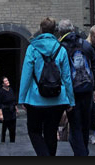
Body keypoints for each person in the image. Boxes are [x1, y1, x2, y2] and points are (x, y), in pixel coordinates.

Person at [18, 16, 75, 157]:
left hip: (35, 99)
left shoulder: (32, 48)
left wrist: (22, 98)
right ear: (54, 31)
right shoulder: (61, 49)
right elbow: (67, 78)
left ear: (41, 30)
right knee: (51, 132)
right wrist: (70, 100)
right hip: (57, 99)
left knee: (34, 131)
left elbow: (26, 75)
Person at [58, 19, 95, 157]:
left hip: (72, 92)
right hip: (87, 89)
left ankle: (82, 154)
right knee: (85, 123)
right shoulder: (85, 44)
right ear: (72, 30)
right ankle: (83, 152)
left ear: (60, 32)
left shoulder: (61, 47)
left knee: (75, 126)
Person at [0, 76, 19, 143]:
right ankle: (3, 141)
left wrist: (16, 108)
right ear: (3, 84)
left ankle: (12, 141)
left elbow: (13, 100)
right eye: (6, 81)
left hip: (12, 111)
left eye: (7, 80)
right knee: (5, 128)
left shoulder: (11, 89)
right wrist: (1, 114)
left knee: (13, 128)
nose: (7, 82)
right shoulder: (1, 92)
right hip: (5, 111)